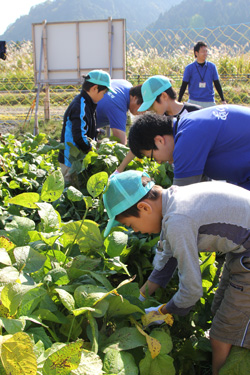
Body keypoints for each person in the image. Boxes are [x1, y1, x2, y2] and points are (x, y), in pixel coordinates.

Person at [103, 169, 250, 375]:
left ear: (144, 207)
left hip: (246, 254)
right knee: (220, 311)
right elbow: (164, 265)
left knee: (221, 335)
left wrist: (163, 311)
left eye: (130, 225)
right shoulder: (173, 201)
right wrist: (138, 299)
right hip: (240, 251)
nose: (135, 231)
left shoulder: (177, 220)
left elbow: (192, 291)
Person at [128, 105, 250, 190]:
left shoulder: (187, 139)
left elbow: (180, 197)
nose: (159, 162)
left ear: (159, 140)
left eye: (152, 157)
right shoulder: (188, 124)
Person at [116, 75, 201, 173]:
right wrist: (119, 170)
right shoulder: (160, 120)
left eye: (152, 105)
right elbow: (140, 143)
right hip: (176, 171)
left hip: (195, 167)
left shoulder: (194, 112)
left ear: (164, 96)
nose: (150, 110)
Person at [58, 69, 115, 181]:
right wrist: (92, 151)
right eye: (103, 93)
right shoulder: (80, 106)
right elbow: (79, 137)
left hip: (78, 160)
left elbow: (84, 127)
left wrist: (96, 132)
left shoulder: (87, 103)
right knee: (71, 189)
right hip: (71, 161)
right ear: (94, 88)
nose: (103, 96)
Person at [178, 41, 226, 108]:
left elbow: (217, 84)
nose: (205, 53)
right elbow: (184, 85)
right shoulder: (189, 68)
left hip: (209, 101)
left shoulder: (212, 67)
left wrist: (223, 100)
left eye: (206, 51)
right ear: (196, 53)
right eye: (203, 51)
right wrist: (179, 101)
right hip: (193, 101)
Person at [96, 79, 143, 145]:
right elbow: (121, 143)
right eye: (143, 108)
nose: (143, 113)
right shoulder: (118, 106)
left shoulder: (126, 84)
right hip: (81, 126)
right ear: (135, 98)